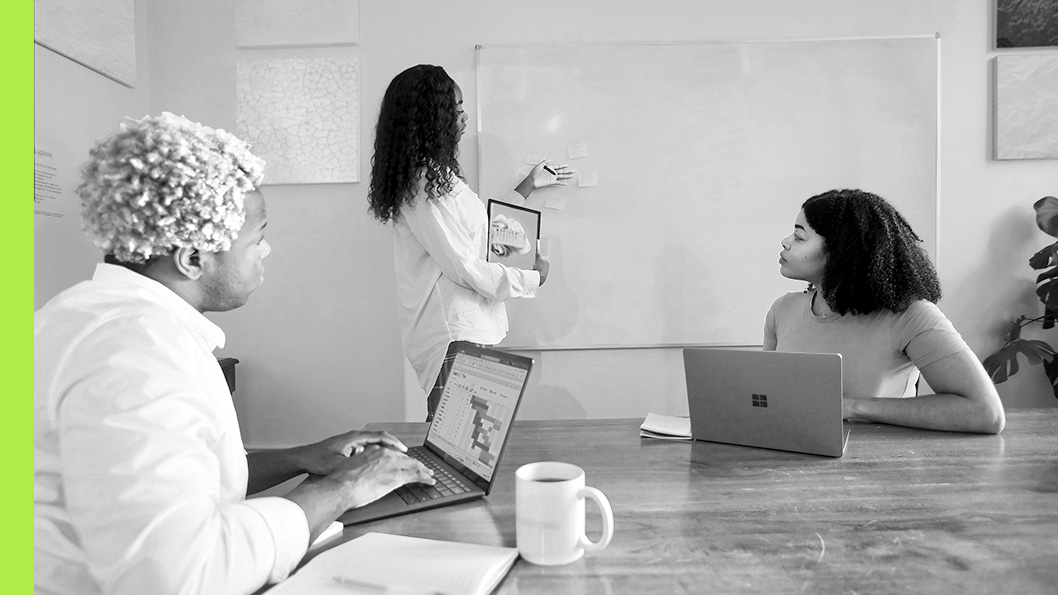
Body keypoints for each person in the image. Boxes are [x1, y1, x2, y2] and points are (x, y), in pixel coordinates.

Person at [34, 113, 435, 595]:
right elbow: (181, 578)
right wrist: (343, 489)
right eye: (257, 236)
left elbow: (186, 483)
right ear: (192, 259)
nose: (266, 251)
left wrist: (299, 458)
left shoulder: (84, 314)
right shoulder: (133, 356)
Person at [367, 64, 573, 420]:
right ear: (432, 118)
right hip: (456, 334)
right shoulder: (422, 185)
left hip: (471, 329)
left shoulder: (437, 178)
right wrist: (532, 278)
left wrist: (528, 185)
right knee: (459, 448)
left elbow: (482, 235)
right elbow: (465, 266)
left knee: (473, 448)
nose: (464, 118)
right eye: (456, 110)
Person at [765, 188, 1005, 434]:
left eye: (799, 236)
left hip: (880, 466)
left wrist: (851, 407)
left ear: (842, 251)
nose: (786, 241)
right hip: (793, 459)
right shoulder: (781, 310)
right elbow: (768, 401)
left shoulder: (911, 316)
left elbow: (985, 413)